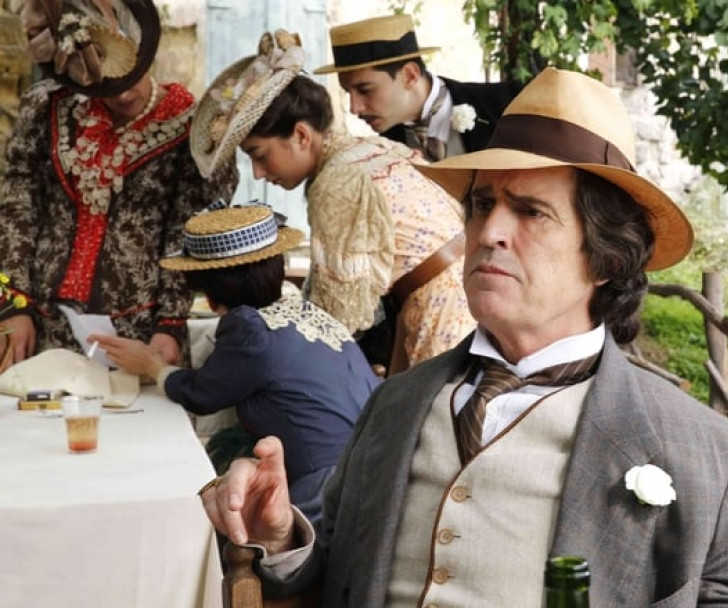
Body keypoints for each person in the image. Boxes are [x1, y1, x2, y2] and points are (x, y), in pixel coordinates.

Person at [199, 68, 728, 606]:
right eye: (483, 204)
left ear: (608, 257)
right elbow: (337, 574)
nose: (489, 232)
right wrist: (282, 535)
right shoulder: (393, 406)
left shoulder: (719, 466)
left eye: (531, 211)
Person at [191, 31, 474, 374]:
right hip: (461, 293)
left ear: (301, 135)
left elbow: (335, 319)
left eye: (259, 155)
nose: (258, 173)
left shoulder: (337, 183)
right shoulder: (370, 150)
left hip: (441, 314)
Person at [92, 203, 379, 525]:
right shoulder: (306, 312)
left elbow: (203, 393)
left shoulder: (251, 327)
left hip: (325, 488)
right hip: (376, 466)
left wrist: (151, 365)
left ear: (212, 290)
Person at [0, 0, 237, 371]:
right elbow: (17, 208)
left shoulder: (187, 127)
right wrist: (13, 304)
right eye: (105, 87)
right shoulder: (46, 107)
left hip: (142, 335)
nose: (124, 95)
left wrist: (171, 323)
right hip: (43, 323)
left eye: (132, 78)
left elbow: (188, 232)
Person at [315, 14, 524, 162]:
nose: (354, 108)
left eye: (365, 90)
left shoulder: (509, 104)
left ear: (410, 75)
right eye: (348, 92)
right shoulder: (384, 152)